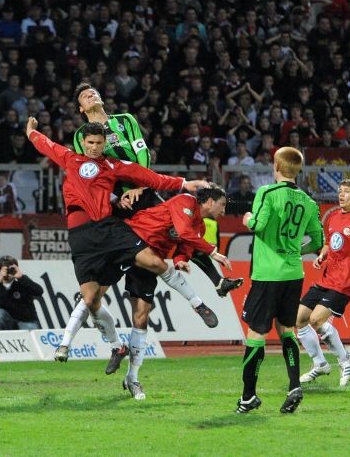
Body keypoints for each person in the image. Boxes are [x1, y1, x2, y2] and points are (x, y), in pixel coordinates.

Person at [26, 117, 211, 374]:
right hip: (81, 237)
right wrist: (31, 132)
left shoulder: (113, 165)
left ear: (104, 143)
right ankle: (117, 346)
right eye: (90, 142)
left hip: (108, 229)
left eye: (99, 143)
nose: (94, 147)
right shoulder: (70, 158)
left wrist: (183, 183)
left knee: (154, 262)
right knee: (90, 300)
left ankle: (197, 303)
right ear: (83, 142)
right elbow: (46, 145)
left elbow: (150, 177)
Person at [72, 83, 243, 296]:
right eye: (85, 96)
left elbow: (142, 151)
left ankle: (218, 281)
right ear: (81, 109)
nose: (90, 95)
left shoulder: (125, 120)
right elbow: (90, 175)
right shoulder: (80, 135)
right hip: (118, 203)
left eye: (93, 92)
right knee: (114, 250)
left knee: (181, 229)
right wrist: (114, 198)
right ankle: (89, 294)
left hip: (144, 192)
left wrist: (141, 185)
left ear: (101, 98)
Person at [119, 185, 232, 400]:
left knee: (141, 316)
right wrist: (213, 252)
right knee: (92, 296)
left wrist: (180, 261)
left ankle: (132, 378)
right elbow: (183, 231)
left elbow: (183, 248)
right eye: (222, 205)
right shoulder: (185, 201)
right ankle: (111, 345)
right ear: (209, 202)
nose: (224, 211)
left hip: (151, 257)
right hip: (130, 239)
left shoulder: (200, 227)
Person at [236, 147, 323, 414]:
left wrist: (248, 219)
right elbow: (318, 242)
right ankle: (294, 385)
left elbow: (258, 225)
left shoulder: (267, 192)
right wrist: (295, 251)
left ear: (276, 165)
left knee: (256, 334)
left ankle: (248, 397)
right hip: (293, 274)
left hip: (268, 274)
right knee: (286, 330)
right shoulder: (308, 202)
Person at [297, 179, 350, 387]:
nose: (341, 195)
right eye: (340, 191)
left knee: (316, 320)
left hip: (345, 281)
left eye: (346, 192)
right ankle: (320, 364)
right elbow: (329, 243)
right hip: (327, 277)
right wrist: (322, 255)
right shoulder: (334, 216)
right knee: (299, 319)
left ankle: (345, 361)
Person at [0, 255, 43, 330]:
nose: (9, 272)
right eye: (6, 270)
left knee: (31, 327)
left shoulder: (23, 282)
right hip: (7, 322)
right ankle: (1, 336)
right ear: (0, 271)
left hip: (25, 320)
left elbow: (39, 291)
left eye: (11, 269)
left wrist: (21, 277)